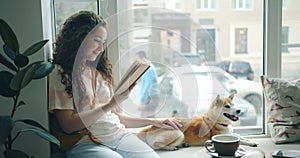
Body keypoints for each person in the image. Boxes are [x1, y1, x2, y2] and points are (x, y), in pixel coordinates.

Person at [48, 11, 182, 158]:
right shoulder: (60, 73)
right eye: (96, 40)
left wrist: (154, 121)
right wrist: (111, 103)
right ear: (79, 38)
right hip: (85, 142)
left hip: (117, 135)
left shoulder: (97, 72)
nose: (100, 48)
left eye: (103, 43)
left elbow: (112, 116)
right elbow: (68, 126)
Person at [135, 51, 160, 118]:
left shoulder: (149, 69)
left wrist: (142, 102)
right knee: (148, 120)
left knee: (147, 120)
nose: (137, 63)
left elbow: (147, 86)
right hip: (150, 97)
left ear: (143, 58)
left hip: (150, 97)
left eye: (138, 60)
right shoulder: (147, 68)